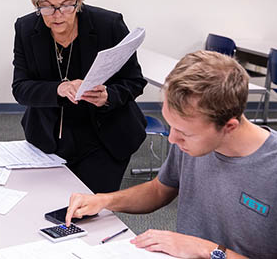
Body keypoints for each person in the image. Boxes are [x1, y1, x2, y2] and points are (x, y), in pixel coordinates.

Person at [65, 50, 277, 258]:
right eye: (171, 126)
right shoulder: (192, 142)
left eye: (184, 133)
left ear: (229, 126)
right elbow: (159, 190)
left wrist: (206, 250)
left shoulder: (271, 169)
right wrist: (104, 200)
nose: (172, 139)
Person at [12, 0, 147, 193]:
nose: (57, 15)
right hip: (48, 139)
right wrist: (58, 88)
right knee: (46, 206)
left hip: (104, 139)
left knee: (90, 212)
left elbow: (134, 81)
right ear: (36, 3)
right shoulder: (26, 28)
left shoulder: (109, 25)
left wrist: (108, 96)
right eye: (47, 7)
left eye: (66, 5)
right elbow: (20, 89)